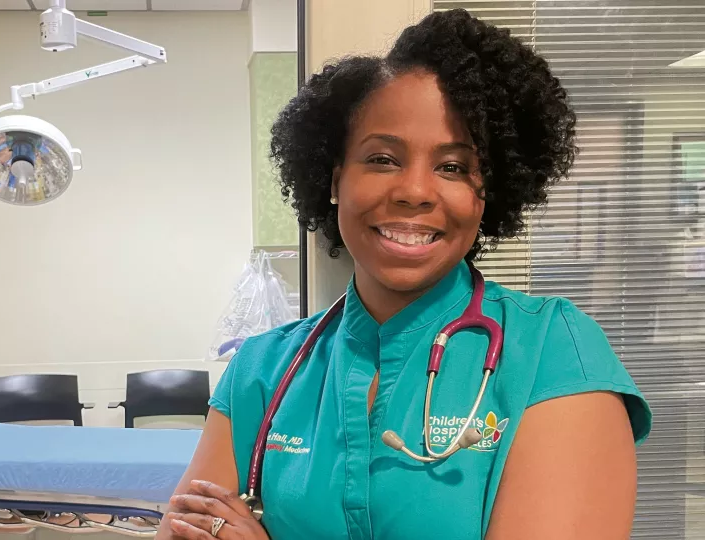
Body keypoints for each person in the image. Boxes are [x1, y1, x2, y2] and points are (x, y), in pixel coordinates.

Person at [158, 9, 652, 540]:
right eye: (382, 158)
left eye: (453, 167)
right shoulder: (262, 371)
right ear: (334, 179)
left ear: (490, 193)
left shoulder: (554, 354)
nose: (415, 190)